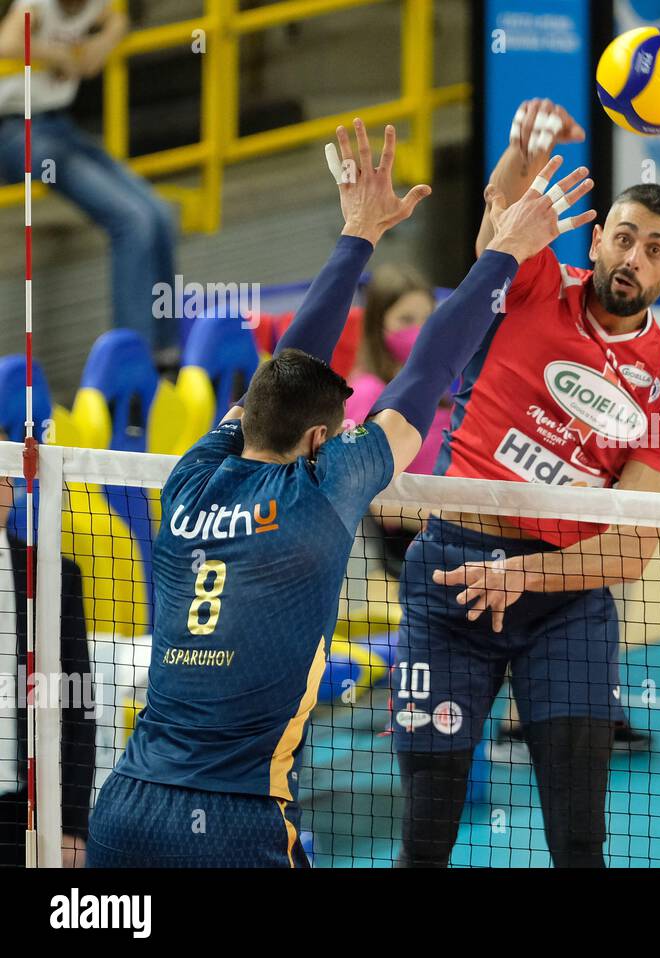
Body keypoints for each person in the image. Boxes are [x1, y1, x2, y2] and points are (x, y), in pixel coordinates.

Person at [84, 120, 592, 866]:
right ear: (321, 442)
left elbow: (287, 371)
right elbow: (427, 373)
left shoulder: (192, 474)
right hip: (235, 822)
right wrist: (505, 256)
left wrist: (357, 235)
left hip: (122, 808)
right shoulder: (323, 492)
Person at [393, 98, 660, 868]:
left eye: (655, 249)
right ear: (596, 239)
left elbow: (629, 553)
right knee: (426, 836)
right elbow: (501, 215)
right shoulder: (533, 285)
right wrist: (523, 149)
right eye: (624, 238)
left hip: (562, 603)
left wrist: (523, 575)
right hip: (452, 578)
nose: (633, 258)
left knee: (577, 843)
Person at [0, 1, 181, 367]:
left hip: (57, 125)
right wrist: (60, 56)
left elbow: (117, 20)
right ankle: (131, 364)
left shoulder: (90, 6)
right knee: (132, 222)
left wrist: (98, 48)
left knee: (160, 214)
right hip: (16, 132)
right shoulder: (35, 4)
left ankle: (166, 355)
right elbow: (5, 45)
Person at [0, 444, 96, 868]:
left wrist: (73, 824)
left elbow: (80, 707)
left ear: (14, 485)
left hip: (28, 807)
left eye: (2, 477)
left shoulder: (53, 575)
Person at [346, 264, 447, 576]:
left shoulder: (444, 385)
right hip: (413, 545)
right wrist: (454, 518)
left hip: (456, 524)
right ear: (379, 325)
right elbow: (376, 501)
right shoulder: (366, 394)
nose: (419, 330)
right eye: (405, 320)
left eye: (428, 319)